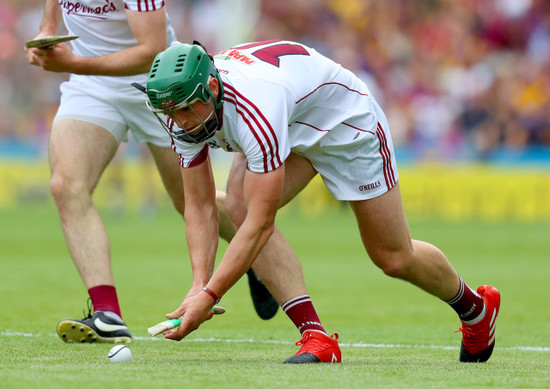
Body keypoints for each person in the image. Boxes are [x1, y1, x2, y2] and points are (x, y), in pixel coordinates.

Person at [142, 40, 501, 364]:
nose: (181, 122)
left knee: (393, 257)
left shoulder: (255, 110)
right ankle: (315, 337)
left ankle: (475, 310)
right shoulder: (182, 111)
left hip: (345, 124)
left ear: (213, 88)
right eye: (172, 113)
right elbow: (200, 206)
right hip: (295, 117)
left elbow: (261, 225)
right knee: (239, 207)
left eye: (188, 109)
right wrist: (196, 286)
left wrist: (210, 294)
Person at [24, 0, 277, 344]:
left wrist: (75, 62)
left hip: (161, 87)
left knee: (189, 201)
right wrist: (47, 31)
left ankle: (254, 256)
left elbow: (152, 49)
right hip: (92, 86)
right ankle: (106, 312)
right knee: (66, 185)